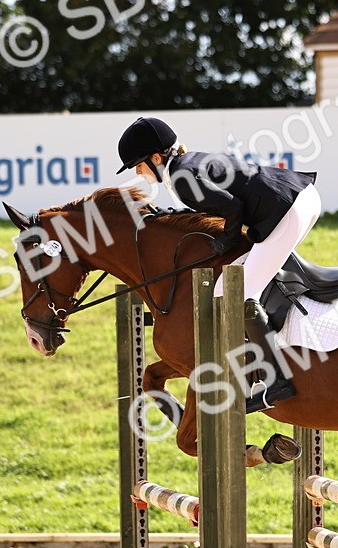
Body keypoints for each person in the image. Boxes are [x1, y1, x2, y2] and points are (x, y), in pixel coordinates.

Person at [116, 116, 321, 413]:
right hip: (296, 199)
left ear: (157, 158)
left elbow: (233, 207)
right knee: (246, 280)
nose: (137, 171)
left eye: (139, 163)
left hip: (289, 208)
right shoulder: (185, 167)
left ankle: (276, 379)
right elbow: (217, 203)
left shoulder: (182, 177)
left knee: (236, 291)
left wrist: (225, 241)